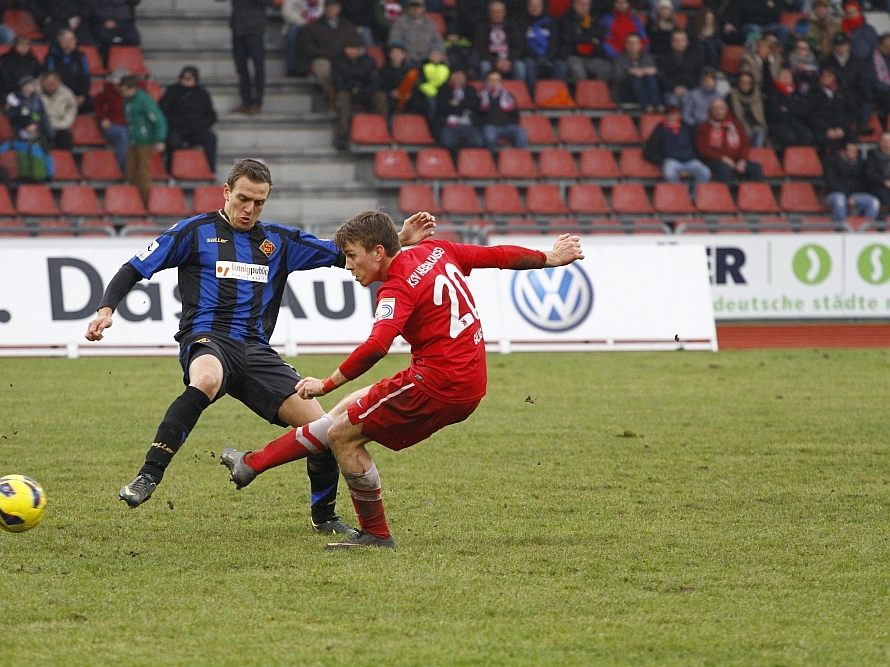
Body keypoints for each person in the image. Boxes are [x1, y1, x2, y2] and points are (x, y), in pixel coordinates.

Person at [83, 159, 435, 534]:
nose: (249, 209)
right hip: (207, 338)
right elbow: (134, 268)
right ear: (226, 192)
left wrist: (398, 239)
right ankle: (148, 476)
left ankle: (324, 517)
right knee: (206, 380)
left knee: (324, 429)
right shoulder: (193, 232)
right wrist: (106, 310)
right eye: (243, 199)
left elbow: (347, 252)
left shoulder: (279, 242)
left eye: (259, 202)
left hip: (255, 352)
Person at [219, 211, 585, 550]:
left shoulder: (395, 289)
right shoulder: (437, 250)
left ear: (378, 252)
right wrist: (550, 257)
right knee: (344, 412)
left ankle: (375, 534)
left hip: (437, 385)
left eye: (352, 256)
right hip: (463, 377)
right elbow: (498, 255)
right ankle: (252, 463)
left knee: (342, 435)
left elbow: (376, 346)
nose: (348, 265)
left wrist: (325, 383)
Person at [159, 66, 218, 174]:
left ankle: (210, 170)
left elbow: (211, 115)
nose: (185, 81)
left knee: (210, 138)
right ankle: (171, 170)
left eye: (189, 79)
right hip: (177, 129)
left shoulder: (202, 94)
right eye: (184, 78)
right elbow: (163, 111)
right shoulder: (172, 91)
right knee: (173, 142)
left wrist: (200, 125)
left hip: (196, 129)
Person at [118, 75, 166, 206]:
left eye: (125, 90)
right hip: (133, 140)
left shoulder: (143, 100)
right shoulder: (127, 101)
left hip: (145, 141)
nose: (122, 94)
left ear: (132, 88)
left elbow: (158, 119)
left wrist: (160, 139)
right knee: (131, 172)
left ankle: (146, 203)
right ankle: (134, 202)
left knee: (143, 173)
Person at [642, 104, 711, 191]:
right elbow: (649, 151)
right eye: (670, 114)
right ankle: (680, 194)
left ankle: (695, 196)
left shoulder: (686, 127)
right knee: (669, 174)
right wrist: (661, 161)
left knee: (705, 172)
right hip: (672, 161)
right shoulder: (660, 129)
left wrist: (695, 156)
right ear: (666, 116)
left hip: (689, 160)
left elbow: (695, 145)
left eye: (675, 114)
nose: (672, 116)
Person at [696, 97, 763, 185]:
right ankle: (727, 193)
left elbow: (744, 144)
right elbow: (703, 149)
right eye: (716, 109)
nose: (719, 111)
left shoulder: (736, 124)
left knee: (756, 167)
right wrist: (723, 158)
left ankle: (758, 193)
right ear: (711, 110)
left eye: (721, 108)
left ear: (726, 109)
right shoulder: (705, 127)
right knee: (725, 168)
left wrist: (741, 161)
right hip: (714, 161)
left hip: (736, 160)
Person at [298, 0, 358, 97]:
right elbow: (306, 46)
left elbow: (356, 44)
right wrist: (324, 53)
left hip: (344, 58)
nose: (330, 9)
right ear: (324, 8)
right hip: (322, 58)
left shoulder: (348, 26)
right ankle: (332, 97)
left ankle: (349, 95)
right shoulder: (313, 26)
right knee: (323, 69)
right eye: (328, 7)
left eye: (333, 7)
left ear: (339, 8)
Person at [332, 40, 386, 149]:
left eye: (353, 48)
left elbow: (375, 80)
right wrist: (351, 88)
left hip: (366, 92)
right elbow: (337, 82)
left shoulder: (369, 61)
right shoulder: (338, 61)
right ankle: (342, 134)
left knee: (380, 96)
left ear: (359, 49)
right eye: (348, 48)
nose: (350, 51)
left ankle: (381, 129)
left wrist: (365, 90)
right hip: (347, 91)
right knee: (342, 98)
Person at [432, 69, 484, 159]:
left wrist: (459, 103)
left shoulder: (470, 89)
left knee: (477, 142)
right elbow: (442, 107)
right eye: (456, 75)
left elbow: (476, 105)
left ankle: (466, 161)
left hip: (468, 124)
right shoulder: (444, 89)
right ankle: (454, 163)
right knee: (448, 143)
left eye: (461, 75)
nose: (458, 78)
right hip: (449, 124)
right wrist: (463, 109)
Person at [822, 31, 870, 126]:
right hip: (835, 93)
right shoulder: (826, 61)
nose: (841, 47)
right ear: (834, 46)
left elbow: (863, 81)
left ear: (849, 45)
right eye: (838, 45)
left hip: (854, 93)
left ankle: (862, 124)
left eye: (843, 45)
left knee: (864, 100)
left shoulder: (858, 61)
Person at [824, 141, 879, 224]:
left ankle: (865, 229)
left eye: (855, 151)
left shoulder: (861, 163)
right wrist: (848, 195)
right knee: (840, 200)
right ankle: (841, 229)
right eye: (851, 151)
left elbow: (864, 182)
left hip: (855, 195)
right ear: (842, 152)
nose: (854, 153)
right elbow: (831, 183)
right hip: (835, 194)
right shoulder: (831, 162)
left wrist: (854, 196)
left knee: (874, 202)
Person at [558, 0, 612, 83]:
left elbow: (600, 33)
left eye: (587, 5)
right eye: (581, 4)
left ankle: (595, 89)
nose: (584, 7)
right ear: (574, 5)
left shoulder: (594, 18)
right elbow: (569, 37)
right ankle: (584, 91)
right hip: (573, 55)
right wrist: (591, 39)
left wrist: (583, 30)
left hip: (591, 56)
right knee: (578, 70)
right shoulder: (566, 18)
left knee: (607, 68)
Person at [231, 0, 269, 114]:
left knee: (258, 67)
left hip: (255, 28)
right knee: (241, 67)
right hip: (238, 27)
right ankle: (245, 101)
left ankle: (257, 102)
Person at [478, 70, 527, 155]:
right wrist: (485, 123)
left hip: (507, 126)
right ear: (487, 81)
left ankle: (520, 158)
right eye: (492, 80)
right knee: (489, 137)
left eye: (497, 80)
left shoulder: (507, 95)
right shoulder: (480, 96)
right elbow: (477, 114)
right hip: (490, 127)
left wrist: (510, 122)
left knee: (521, 132)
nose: (495, 82)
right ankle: (491, 160)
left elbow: (515, 113)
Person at [806, 67, 857, 148]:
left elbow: (851, 113)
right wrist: (827, 129)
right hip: (822, 130)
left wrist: (842, 128)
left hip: (841, 129)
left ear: (835, 78)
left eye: (829, 76)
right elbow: (811, 115)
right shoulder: (813, 93)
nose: (825, 78)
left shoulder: (845, 92)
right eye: (823, 76)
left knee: (852, 139)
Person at [765, 66, 815, 146]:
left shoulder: (797, 93)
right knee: (790, 137)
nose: (786, 76)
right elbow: (775, 113)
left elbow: (803, 112)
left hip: (795, 123)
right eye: (783, 74)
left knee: (807, 135)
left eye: (788, 74)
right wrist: (792, 110)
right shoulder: (773, 93)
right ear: (777, 77)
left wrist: (787, 109)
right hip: (778, 124)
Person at [45, 29, 92, 113]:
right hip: (60, 96)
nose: (75, 41)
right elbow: (51, 79)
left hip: (78, 95)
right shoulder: (51, 58)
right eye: (71, 39)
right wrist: (67, 97)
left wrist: (82, 95)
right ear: (62, 42)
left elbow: (85, 77)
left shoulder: (80, 56)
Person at [0, 110, 53, 182]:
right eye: (32, 124)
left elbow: (47, 156)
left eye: (35, 124)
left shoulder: (41, 138)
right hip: (24, 175)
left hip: (39, 175)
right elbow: (7, 146)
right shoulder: (18, 138)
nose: (34, 127)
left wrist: (50, 173)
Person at [524, 0, 568, 89]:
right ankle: (534, 94)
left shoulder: (551, 22)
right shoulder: (523, 22)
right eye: (532, 5)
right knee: (529, 64)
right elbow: (523, 44)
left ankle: (556, 93)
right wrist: (537, 57)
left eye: (537, 5)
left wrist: (548, 58)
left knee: (561, 65)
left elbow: (555, 42)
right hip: (531, 57)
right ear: (528, 7)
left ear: (543, 7)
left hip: (549, 57)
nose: (534, 8)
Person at [612, 32, 661, 111]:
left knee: (651, 77)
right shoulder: (619, 59)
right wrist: (630, 72)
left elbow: (658, 74)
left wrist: (652, 71)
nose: (633, 45)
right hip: (626, 92)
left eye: (635, 43)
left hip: (646, 89)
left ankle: (656, 105)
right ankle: (646, 106)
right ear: (626, 44)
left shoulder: (647, 58)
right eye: (630, 43)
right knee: (636, 79)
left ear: (640, 45)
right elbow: (617, 78)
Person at [388, 0, 443, 67]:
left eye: (418, 6)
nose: (416, 9)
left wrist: (435, 52)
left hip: (427, 59)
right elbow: (394, 40)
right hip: (407, 60)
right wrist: (400, 52)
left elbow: (437, 41)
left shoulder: (429, 23)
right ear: (409, 8)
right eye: (413, 6)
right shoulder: (400, 22)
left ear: (423, 8)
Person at [379, 41, 427, 117]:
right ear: (390, 55)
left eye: (399, 53)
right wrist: (391, 93)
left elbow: (417, 87)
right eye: (394, 53)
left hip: (409, 100)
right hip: (391, 100)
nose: (396, 55)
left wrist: (411, 94)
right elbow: (380, 87)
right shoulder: (383, 71)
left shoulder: (411, 70)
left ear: (404, 55)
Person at [94, 68, 130, 171]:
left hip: (130, 125)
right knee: (123, 135)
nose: (115, 87)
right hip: (113, 125)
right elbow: (97, 104)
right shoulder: (108, 89)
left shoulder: (135, 92)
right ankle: (124, 169)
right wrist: (103, 118)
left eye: (117, 85)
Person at [658, 30, 704, 107]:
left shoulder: (696, 56)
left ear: (687, 42)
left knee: (695, 100)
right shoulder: (663, 57)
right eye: (676, 40)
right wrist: (674, 88)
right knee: (672, 102)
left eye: (682, 40)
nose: (678, 43)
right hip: (671, 90)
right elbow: (662, 77)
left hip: (691, 89)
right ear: (671, 42)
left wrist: (687, 88)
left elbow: (700, 75)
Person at [721, 0, 793, 47]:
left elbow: (775, 15)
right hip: (747, 27)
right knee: (755, 29)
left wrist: (770, 6)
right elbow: (735, 13)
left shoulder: (771, 2)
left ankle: (776, 54)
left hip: (766, 27)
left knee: (784, 29)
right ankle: (756, 54)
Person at [37, 70, 76, 151]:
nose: (51, 86)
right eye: (49, 83)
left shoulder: (66, 93)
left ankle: (64, 158)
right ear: (42, 81)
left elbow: (71, 109)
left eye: (54, 83)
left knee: (65, 137)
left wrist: (62, 124)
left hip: (59, 126)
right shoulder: (33, 92)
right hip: (39, 128)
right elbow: (31, 112)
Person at [282, 0, 323, 76]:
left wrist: (314, 24)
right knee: (294, 30)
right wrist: (304, 22)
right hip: (298, 24)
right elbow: (287, 13)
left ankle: (315, 68)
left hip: (317, 25)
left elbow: (323, 12)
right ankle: (292, 68)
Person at [6, 75, 53, 141]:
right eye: (28, 85)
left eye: (32, 85)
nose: (31, 87)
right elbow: (14, 117)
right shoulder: (14, 100)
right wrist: (24, 127)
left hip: (36, 132)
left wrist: (36, 125)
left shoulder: (36, 100)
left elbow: (37, 115)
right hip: (19, 132)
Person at [30, 0, 95, 45]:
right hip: (53, 21)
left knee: (87, 43)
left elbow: (87, 4)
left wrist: (81, 16)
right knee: (58, 43)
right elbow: (33, 4)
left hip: (76, 21)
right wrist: (43, 17)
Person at [729, 71, 767, 147]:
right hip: (740, 126)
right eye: (743, 82)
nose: (745, 85)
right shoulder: (732, 96)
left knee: (760, 134)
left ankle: (756, 153)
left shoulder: (758, 95)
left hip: (757, 126)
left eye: (748, 83)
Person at [866, 131, 890, 215]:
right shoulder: (872, 155)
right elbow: (870, 174)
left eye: (889, 141)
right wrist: (884, 181)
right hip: (878, 186)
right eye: (884, 141)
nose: (887, 144)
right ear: (880, 142)